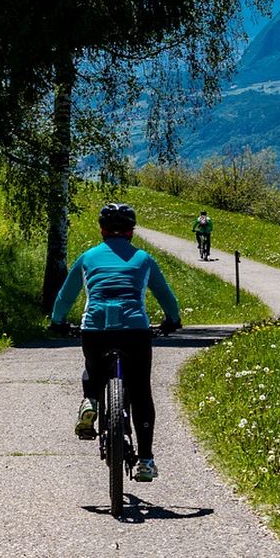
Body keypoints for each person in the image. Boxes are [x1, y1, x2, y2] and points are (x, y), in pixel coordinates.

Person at [48, 203, 181, 482]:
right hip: (134, 330)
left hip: (96, 328)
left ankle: (91, 401)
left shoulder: (87, 258)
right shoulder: (143, 259)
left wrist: (58, 321)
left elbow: (66, 295)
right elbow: (165, 294)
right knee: (141, 391)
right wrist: (173, 319)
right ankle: (145, 460)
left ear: (102, 230)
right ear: (132, 231)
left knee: (93, 368)